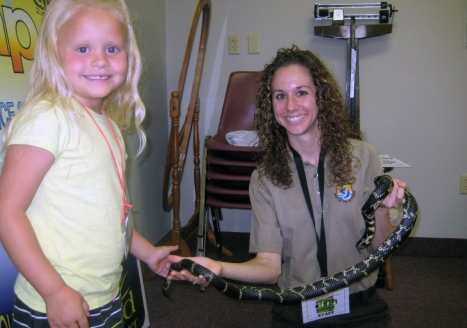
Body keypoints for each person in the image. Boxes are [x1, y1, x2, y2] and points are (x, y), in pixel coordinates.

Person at [169, 46, 407, 327]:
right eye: (280, 96)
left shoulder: (364, 157)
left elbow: (382, 249)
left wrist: (382, 211)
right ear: (271, 105)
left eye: (301, 92)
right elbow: (269, 268)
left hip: (359, 307)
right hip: (298, 309)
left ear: (321, 97)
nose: (291, 106)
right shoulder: (265, 177)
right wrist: (218, 267)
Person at [0, 0, 177, 328]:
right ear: (54, 54)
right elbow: (6, 213)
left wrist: (148, 252)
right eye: (82, 49)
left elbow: (110, 213)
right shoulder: (48, 117)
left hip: (102, 295)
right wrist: (54, 290)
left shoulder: (107, 125)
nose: (100, 60)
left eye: (112, 48)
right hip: (54, 303)